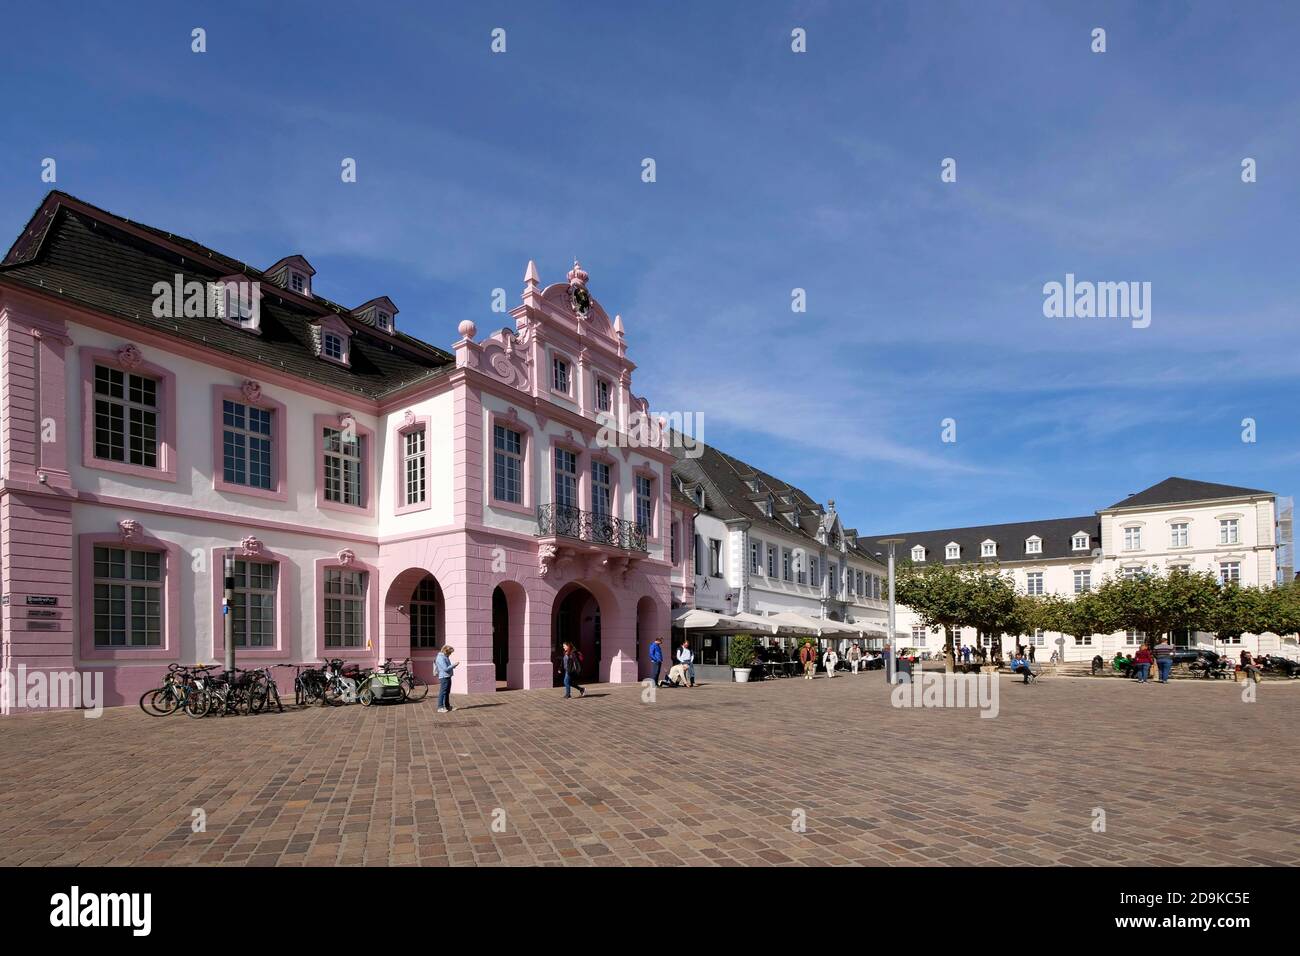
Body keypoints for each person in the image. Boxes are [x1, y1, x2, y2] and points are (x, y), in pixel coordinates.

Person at [435, 644, 457, 712]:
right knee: (443, 692)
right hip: (444, 677)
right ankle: (440, 707)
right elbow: (445, 669)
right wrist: (453, 665)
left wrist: (452, 666)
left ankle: (447, 706)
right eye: (450, 652)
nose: (450, 654)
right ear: (446, 651)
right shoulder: (441, 657)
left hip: (447, 676)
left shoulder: (445, 656)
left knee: (447, 692)